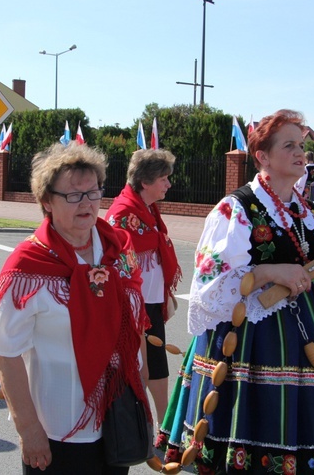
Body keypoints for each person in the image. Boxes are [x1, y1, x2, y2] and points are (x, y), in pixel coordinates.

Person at [157, 109, 314, 473]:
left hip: (310, 338)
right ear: (262, 156)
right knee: (253, 433)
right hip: (252, 341)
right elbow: (211, 287)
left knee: (305, 441)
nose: (300, 153)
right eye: (289, 145)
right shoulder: (236, 210)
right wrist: (270, 271)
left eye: (302, 145)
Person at [0, 144, 149, 474]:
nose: (87, 203)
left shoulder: (119, 250)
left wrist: (140, 397)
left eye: (93, 192)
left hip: (118, 418)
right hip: (58, 428)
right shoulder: (27, 267)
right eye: (73, 195)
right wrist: (28, 428)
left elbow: (136, 328)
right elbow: (6, 352)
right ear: (47, 201)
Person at [105, 149, 182, 426]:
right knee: (137, 367)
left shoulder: (148, 210)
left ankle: (163, 425)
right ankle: (140, 426)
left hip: (150, 303)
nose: (169, 184)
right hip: (132, 306)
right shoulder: (123, 213)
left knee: (156, 364)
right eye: (164, 178)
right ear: (146, 181)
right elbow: (115, 262)